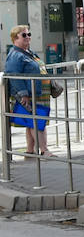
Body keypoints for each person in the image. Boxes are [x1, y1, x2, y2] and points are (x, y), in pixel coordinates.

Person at [5, 25, 52, 157]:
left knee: (31, 122)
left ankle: (30, 150)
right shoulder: (15, 55)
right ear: (15, 38)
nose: (28, 37)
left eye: (29, 34)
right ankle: (44, 150)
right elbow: (14, 75)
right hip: (29, 95)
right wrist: (23, 94)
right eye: (24, 35)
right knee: (37, 122)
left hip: (37, 94)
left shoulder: (28, 52)